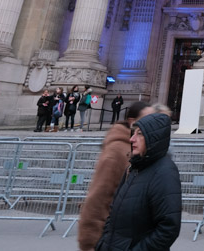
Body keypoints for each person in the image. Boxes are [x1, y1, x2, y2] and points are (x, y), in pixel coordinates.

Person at [95, 113, 182, 250]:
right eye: (133, 133)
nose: (132, 139)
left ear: (153, 138)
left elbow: (168, 228)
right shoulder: (133, 167)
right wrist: (103, 243)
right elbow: (113, 212)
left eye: (139, 134)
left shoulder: (165, 172)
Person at [77, 100, 150, 251]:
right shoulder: (116, 152)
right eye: (147, 119)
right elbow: (97, 198)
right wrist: (89, 243)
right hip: (113, 237)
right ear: (133, 122)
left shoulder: (144, 149)